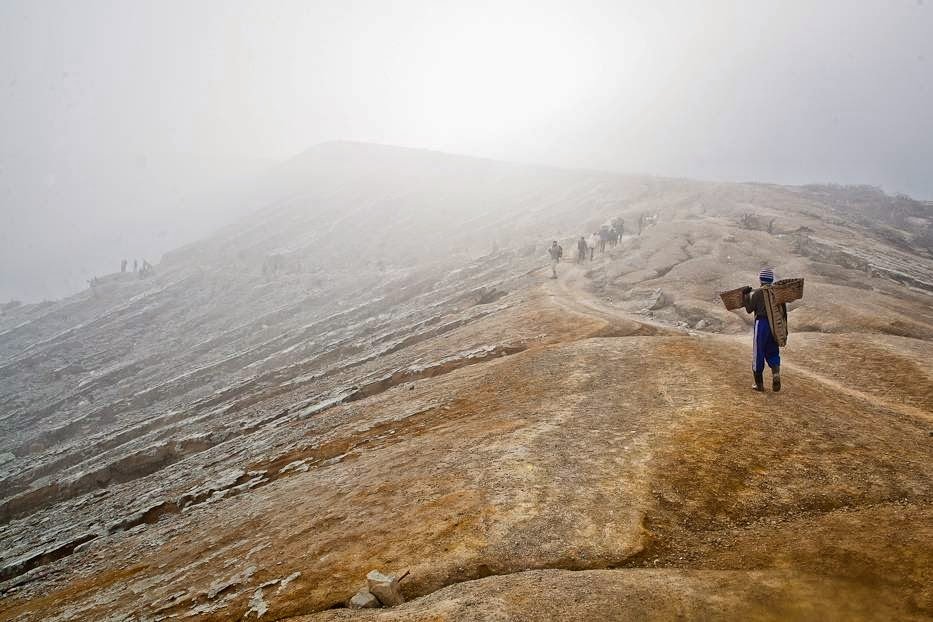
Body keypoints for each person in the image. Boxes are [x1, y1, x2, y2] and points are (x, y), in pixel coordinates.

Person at [743, 267, 788, 392]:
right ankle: (776, 374)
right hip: (774, 326)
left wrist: (745, 296)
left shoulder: (758, 293)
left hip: (761, 324)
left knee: (759, 353)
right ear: (771, 280)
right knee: (772, 351)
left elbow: (749, 309)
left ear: (761, 280)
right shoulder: (776, 293)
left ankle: (759, 384)